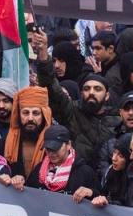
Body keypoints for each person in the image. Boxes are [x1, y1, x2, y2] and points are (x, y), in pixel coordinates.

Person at [34, 32, 120, 167]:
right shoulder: (72, 112)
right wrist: (44, 54)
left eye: (97, 89)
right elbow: (50, 87)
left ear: (107, 95)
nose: (91, 93)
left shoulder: (118, 120)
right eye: (87, 89)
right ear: (81, 93)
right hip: (75, 175)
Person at [0, 85, 52, 177]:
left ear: (44, 115)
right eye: (25, 113)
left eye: (36, 113)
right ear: (18, 115)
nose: (30, 118)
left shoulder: (56, 144)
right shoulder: (3, 144)